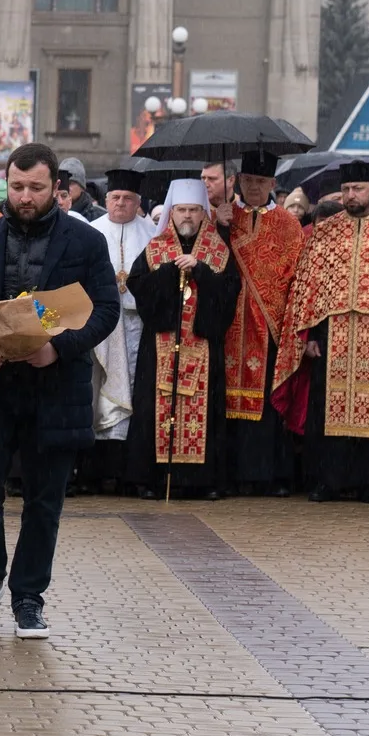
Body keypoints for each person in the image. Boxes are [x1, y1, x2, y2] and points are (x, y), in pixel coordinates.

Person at [0, 144, 119, 638]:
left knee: (44, 498)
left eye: (35, 188)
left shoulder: (84, 242)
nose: (24, 196)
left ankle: (28, 596)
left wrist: (58, 348)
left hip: (55, 386)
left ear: (56, 189)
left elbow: (105, 309)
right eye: (17, 187)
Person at [272, 162, 369, 503]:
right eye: (345, 190)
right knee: (325, 408)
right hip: (331, 335)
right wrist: (309, 336)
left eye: (357, 189)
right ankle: (329, 479)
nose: (350, 196)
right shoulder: (325, 232)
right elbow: (308, 288)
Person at [124, 179, 241, 500]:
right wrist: (168, 273)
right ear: (171, 212)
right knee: (153, 409)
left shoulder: (219, 250)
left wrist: (201, 271)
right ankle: (153, 479)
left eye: (193, 210)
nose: (187, 216)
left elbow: (231, 291)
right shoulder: (156, 248)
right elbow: (138, 285)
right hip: (160, 345)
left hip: (203, 346)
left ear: (204, 214)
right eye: (181, 210)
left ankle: (202, 481)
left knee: (204, 413)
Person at [219, 151, 305, 496]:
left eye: (261, 182)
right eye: (248, 180)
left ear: (273, 184)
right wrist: (220, 227)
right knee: (225, 400)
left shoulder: (287, 223)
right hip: (228, 323)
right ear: (238, 181)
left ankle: (269, 474)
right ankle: (231, 473)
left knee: (269, 401)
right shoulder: (225, 217)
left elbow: (295, 274)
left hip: (270, 326)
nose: (254, 188)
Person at [80, 168, 159, 492]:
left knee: (134, 391)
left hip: (138, 323)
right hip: (101, 324)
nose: (121, 204)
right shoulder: (91, 231)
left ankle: (127, 470)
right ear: (107, 199)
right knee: (100, 392)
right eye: (115, 198)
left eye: (128, 199)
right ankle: (95, 471)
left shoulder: (153, 233)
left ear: (138, 202)